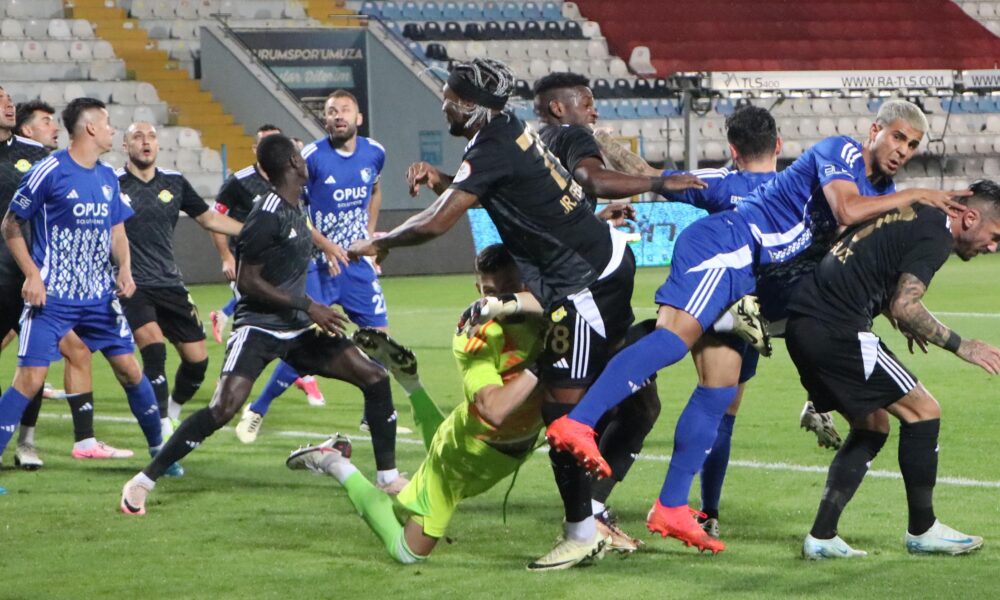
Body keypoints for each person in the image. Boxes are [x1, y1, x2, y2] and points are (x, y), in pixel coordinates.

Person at [545, 99, 967, 554]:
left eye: (913, 145)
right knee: (670, 340)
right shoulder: (841, 151)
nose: (903, 149)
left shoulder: (879, 195)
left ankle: (671, 505)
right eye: (898, 137)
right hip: (729, 243)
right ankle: (578, 422)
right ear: (874, 131)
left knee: (718, 391)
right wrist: (918, 194)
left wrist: (892, 307)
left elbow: (849, 262)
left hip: (753, 279)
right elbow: (845, 210)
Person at [349, 58, 636, 570]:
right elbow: (520, 200)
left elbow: (438, 223)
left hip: (586, 283)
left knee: (565, 417)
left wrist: (381, 241)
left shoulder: (495, 145)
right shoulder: (509, 131)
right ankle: (591, 518)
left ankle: (584, 528)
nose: (443, 107)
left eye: (448, 99)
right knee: (620, 402)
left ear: (469, 104)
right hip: (594, 274)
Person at [119, 134, 402, 515]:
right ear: (293, 163)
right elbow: (248, 282)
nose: (306, 160)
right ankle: (143, 480)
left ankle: (388, 477)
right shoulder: (266, 214)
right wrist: (309, 305)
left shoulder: (296, 204)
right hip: (259, 328)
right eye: (300, 155)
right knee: (222, 409)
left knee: (375, 377)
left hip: (297, 329)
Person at [597, 103, 843, 538]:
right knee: (725, 410)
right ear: (779, 145)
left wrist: (602, 141)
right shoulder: (800, 187)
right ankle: (708, 509)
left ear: (732, 149)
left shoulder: (722, 182)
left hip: (722, 299)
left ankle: (637, 484)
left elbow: (649, 174)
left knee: (710, 398)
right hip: (770, 311)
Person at [286, 244, 555, 565]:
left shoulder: (544, 312)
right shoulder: (476, 334)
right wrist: (544, 363)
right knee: (408, 551)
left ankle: (410, 382)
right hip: (467, 456)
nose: (495, 302)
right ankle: (334, 461)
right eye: (489, 293)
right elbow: (494, 411)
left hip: (497, 448)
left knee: (426, 469)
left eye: (507, 292)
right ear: (478, 290)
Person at [787, 179, 1000, 559]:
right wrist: (962, 346)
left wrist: (894, 312)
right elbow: (906, 305)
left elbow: (874, 265)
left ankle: (822, 537)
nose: (993, 246)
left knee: (873, 425)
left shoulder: (917, 213)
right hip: (837, 329)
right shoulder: (937, 234)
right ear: (969, 218)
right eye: (995, 235)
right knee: (924, 411)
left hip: (804, 323)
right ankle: (923, 530)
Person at [0, 98, 164, 495]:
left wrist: (125, 269)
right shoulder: (49, 170)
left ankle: (161, 454)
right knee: (30, 379)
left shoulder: (107, 176)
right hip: (52, 296)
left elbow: (117, 229)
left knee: (130, 370)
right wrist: (32, 274)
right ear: (90, 128)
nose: (112, 130)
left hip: (98, 298)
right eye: (107, 124)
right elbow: (11, 224)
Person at [235, 90, 416, 442]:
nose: (338, 116)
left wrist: (369, 240)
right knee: (305, 345)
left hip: (356, 266)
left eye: (345, 110)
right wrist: (327, 245)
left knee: (380, 339)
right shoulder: (311, 158)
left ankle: (372, 417)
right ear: (326, 120)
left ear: (359, 117)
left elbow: (374, 193)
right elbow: (295, 211)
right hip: (318, 265)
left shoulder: (375, 152)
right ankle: (257, 409)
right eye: (331, 111)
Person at [117, 121, 242, 441]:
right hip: (132, 284)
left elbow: (209, 219)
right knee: (154, 348)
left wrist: (251, 230)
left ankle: (172, 409)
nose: (146, 142)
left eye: (151, 137)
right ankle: (159, 428)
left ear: (158, 145)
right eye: (137, 137)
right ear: (125, 146)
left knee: (197, 362)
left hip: (170, 283)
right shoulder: (112, 183)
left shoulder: (174, 182)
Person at [208, 124, 325, 405]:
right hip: (251, 265)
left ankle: (302, 375)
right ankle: (229, 386)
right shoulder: (239, 182)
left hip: (285, 265)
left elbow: (303, 223)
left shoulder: (292, 184)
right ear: (256, 150)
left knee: (288, 320)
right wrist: (226, 257)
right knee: (257, 320)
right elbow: (215, 217)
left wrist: (327, 247)